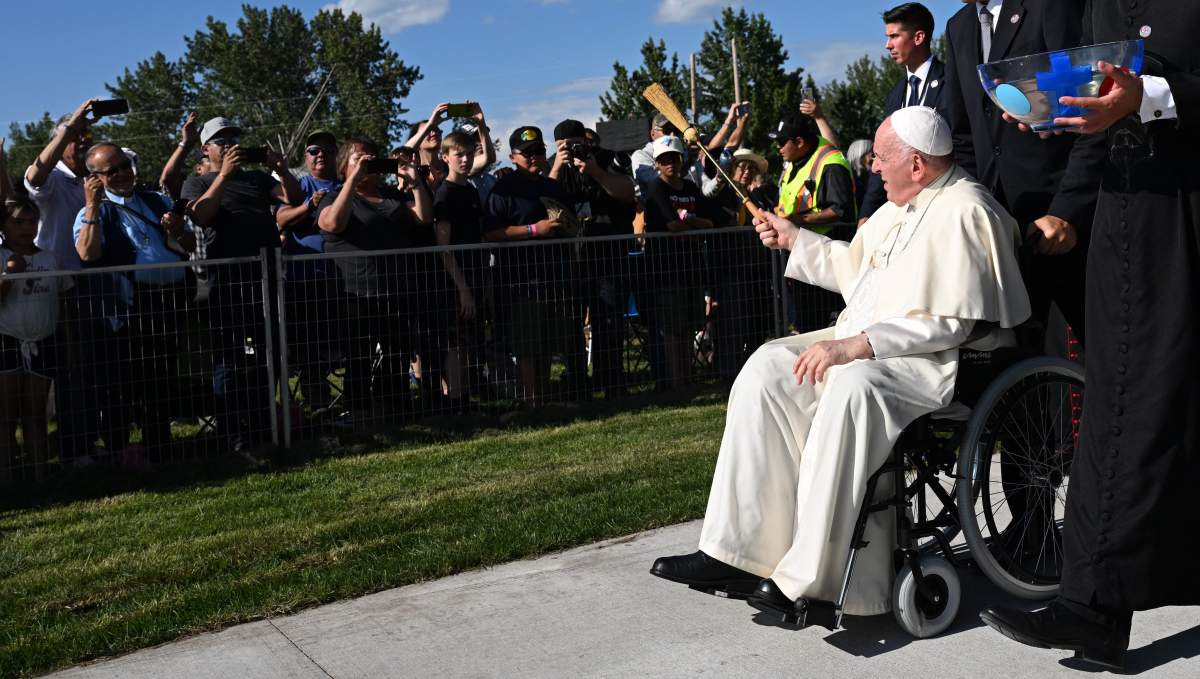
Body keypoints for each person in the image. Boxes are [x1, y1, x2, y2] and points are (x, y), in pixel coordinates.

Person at [650, 107, 1029, 621]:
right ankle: (736, 554)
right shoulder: (900, 207)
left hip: (928, 364)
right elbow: (857, 274)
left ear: (917, 164)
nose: (873, 167)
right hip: (865, 345)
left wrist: (856, 347)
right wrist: (794, 239)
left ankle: (810, 581)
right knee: (767, 368)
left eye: (882, 157)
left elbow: (952, 324)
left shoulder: (966, 209)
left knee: (852, 385)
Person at [980, 4, 1200, 670]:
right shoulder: (1099, 2)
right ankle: (1094, 607)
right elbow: (1099, 110)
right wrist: (1055, 128)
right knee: (1117, 405)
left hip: (1191, 208)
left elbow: (1145, 94)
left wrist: (1153, 97)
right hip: (1125, 220)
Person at [942, 0, 1103, 345]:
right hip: (1001, 229)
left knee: (1090, 352)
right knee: (1021, 361)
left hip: (1063, 223)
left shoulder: (1048, 7)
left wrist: (1067, 210)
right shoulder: (959, 27)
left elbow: (1088, 110)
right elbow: (963, 133)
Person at [181, 116, 302, 453]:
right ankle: (232, 431)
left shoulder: (258, 179)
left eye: (234, 138)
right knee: (230, 357)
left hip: (267, 276)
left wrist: (283, 168)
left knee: (271, 352)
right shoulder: (198, 182)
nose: (230, 144)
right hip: (228, 280)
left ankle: (265, 422)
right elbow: (200, 216)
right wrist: (223, 176)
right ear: (207, 149)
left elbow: (291, 198)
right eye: (221, 141)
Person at [74, 143, 195, 461]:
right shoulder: (93, 211)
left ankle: (160, 446)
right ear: (96, 178)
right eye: (112, 170)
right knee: (121, 382)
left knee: (161, 378)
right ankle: (119, 450)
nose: (123, 173)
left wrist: (179, 231)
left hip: (167, 302)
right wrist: (91, 206)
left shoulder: (157, 200)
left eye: (124, 165)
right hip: (126, 307)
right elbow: (87, 254)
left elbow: (188, 244)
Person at [316, 138, 433, 421]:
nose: (367, 162)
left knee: (395, 355)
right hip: (356, 294)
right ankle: (359, 414)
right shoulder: (334, 197)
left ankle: (395, 411)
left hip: (396, 290)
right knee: (359, 358)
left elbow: (423, 218)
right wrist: (352, 180)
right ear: (344, 165)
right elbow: (332, 224)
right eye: (359, 158)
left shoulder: (391, 195)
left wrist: (415, 182)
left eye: (372, 157)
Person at [23, 99, 98, 464]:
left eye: (86, 136)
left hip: (89, 285)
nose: (82, 142)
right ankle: (59, 450)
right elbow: (34, 175)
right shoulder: (53, 180)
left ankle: (83, 443)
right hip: (53, 289)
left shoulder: (92, 178)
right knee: (60, 370)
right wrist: (69, 125)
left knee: (84, 370)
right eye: (75, 137)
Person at [484, 126, 578, 405]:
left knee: (547, 342)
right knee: (526, 346)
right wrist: (534, 230)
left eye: (539, 151)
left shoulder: (553, 186)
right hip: (520, 279)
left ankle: (545, 396)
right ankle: (531, 399)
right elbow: (491, 232)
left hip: (553, 275)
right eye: (527, 153)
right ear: (512, 157)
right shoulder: (503, 190)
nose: (534, 157)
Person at [549, 118, 637, 399]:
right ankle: (576, 381)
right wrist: (557, 167)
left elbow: (627, 194)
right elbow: (542, 198)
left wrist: (596, 173)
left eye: (576, 144)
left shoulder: (606, 158)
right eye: (565, 146)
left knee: (608, 320)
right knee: (570, 321)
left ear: (586, 141)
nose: (571, 150)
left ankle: (611, 379)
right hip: (572, 259)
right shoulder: (553, 165)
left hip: (608, 256)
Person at [859, 3, 956, 222]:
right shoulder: (895, 94)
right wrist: (866, 213)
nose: (887, 45)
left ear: (919, 37)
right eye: (887, 37)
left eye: (894, 36)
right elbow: (884, 153)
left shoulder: (952, 81)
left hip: (944, 206)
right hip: (905, 212)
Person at [0, 197, 71, 481]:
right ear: (4, 226)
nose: (26, 228)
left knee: (36, 413)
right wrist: (9, 276)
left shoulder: (49, 258)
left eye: (31, 222)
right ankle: (6, 474)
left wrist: (71, 343)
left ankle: (39, 472)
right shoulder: (2, 257)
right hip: (7, 341)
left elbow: (65, 301)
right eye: (18, 222)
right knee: (6, 415)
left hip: (44, 340)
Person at [640, 135, 717, 388]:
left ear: (681, 160)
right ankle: (677, 381)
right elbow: (672, 225)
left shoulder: (690, 188)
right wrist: (691, 223)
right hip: (666, 269)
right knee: (672, 328)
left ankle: (688, 376)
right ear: (657, 164)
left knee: (687, 327)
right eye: (664, 159)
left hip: (691, 267)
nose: (670, 163)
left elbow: (709, 221)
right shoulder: (655, 188)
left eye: (674, 157)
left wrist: (689, 223)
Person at [275, 130, 343, 417]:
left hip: (342, 278)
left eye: (327, 150)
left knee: (343, 343)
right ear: (306, 156)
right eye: (314, 150)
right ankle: (317, 404)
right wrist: (309, 205)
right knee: (309, 346)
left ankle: (354, 403)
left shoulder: (346, 184)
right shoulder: (300, 184)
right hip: (305, 278)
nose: (320, 156)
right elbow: (279, 218)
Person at [770, 113, 856, 332]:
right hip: (803, 252)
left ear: (799, 142)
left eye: (781, 142)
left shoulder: (830, 162)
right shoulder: (794, 162)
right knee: (806, 322)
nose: (778, 148)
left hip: (827, 256)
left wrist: (796, 220)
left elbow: (840, 209)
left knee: (826, 324)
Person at [434, 130, 485, 406]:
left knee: (466, 341)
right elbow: (444, 247)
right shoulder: (445, 194)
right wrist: (462, 287)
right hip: (454, 280)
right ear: (446, 158)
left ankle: (465, 394)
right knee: (455, 343)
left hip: (476, 272)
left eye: (468, 154)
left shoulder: (470, 189)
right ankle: (455, 399)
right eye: (458, 155)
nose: (464, 160)